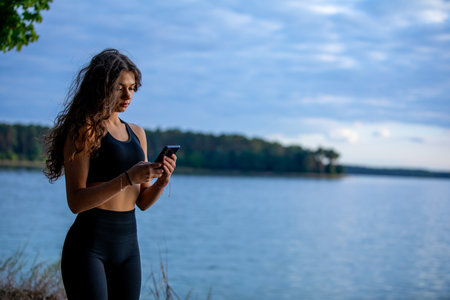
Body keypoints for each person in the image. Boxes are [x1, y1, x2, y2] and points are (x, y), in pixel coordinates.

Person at [43, 48, 177, 300]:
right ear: (102, 86)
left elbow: (143, 202)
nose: (128, 95)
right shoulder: (83, 130)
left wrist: (162, 181)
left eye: (133, 88)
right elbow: (76, 202)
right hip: (88, 247)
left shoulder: (138, 133)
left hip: (128, 248)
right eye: (120, 87)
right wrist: (127, 178)